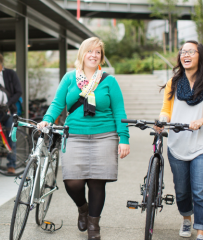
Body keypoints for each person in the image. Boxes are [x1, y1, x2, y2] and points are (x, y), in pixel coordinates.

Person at [37, 37, 130, 240]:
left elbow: (119, 110)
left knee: (97, 182)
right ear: (82, 54)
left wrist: (124, 137)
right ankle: (82, 208)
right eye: (90, 51)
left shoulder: (109, 81)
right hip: (75, 135)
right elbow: (57, 103)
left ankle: (93, 227)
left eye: (98, 52)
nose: (93, 55)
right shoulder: (70, 78)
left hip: (105, 135)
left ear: (101, 57)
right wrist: (47, 120)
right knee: (72, 181)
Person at [156, 40, 203, 240]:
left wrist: (201, 121)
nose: (185, 55)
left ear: (200, 56)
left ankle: (201, 232)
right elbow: (166, 111)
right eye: (182, 51)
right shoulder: (174, 83)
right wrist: (161, 121)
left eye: (190, 51)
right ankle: (187, 219)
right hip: (177, 144)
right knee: (182, 191)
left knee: (201, 191)